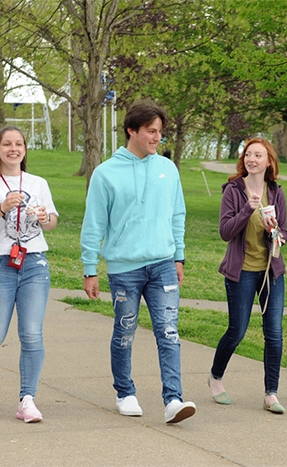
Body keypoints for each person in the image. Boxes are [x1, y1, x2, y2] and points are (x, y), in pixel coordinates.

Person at [81, 100, 196, 424]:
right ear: (132, 130)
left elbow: (177, 215)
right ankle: (124, 392)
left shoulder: (167, 169)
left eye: (160, 132)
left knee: (169, 332)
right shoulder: (105, 174)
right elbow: (93, 225)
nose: (157, 137)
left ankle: (173, 399)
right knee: (125, 331)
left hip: (162, 264)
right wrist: (90, 269)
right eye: (151, 131)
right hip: (124, 268)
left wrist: (179, 256)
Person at [0, 126, 58, 423]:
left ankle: (26, 400)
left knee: (31, 334)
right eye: (7, 144)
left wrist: (44, 218)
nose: (13, 149)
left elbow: (52, 222)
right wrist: (2, 207)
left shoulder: (38, 183)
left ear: (25, 149)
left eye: (18, 144)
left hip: (34, 265)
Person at [208, 137, 287, 414]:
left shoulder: (276, 192)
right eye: (248, 155)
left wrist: (273, 230)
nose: (252, 159)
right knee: (237, 330)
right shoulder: (233, 191)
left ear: (269, 162)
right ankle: (216, 378)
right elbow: (225, 232)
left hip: (271, 273)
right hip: (240, 272)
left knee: (274, 334)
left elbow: (284, 236)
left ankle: (271, 394)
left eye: (258, 155)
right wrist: (247, 210)